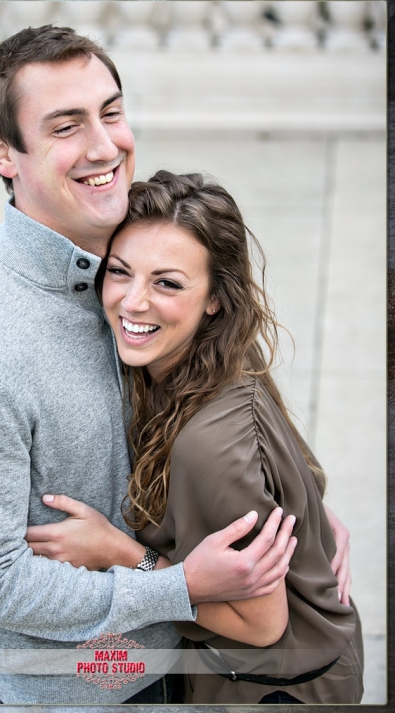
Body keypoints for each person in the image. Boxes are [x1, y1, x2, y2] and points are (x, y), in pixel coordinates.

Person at [0, 25, 348, 705]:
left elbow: (225, 349)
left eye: (111, 111)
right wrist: (174, 583)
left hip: (185, 660)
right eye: (65, 126)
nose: (105, 145)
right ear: (1, 151)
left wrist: (299, 505)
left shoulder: (129, 241)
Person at [26, 170, 364, 704]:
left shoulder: (205, 448)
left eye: (168, 283)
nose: (133, 302)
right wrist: (313, 511)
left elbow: (260, 625)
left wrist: (118, 553)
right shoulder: (216, 353)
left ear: (214, 299)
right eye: (120, 271)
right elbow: (289, 459)